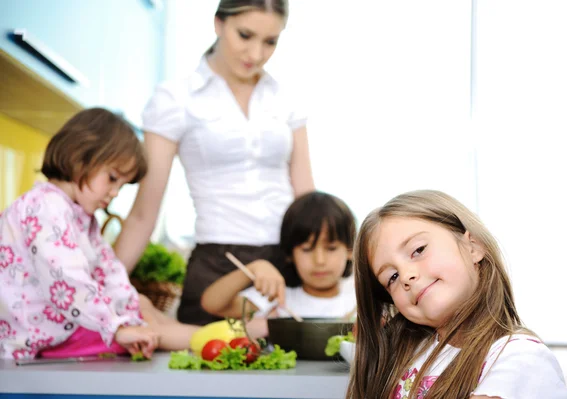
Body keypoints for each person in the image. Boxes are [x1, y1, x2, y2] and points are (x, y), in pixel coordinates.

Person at [113, 0, 315, 326]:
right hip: (217, 265)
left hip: (285, 267)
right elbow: (142, 214)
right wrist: (101, 289)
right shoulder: (175, 100)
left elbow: (307, 201)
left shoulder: (285, 99)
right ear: (219, 23)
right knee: (206, 368)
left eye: (270, 41)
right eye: (245, 35)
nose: (256, 53)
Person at [0, 108, 199, 360]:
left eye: (121, 185)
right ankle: (229, 339)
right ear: (78, 157)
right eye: (112, 178)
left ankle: (226, 337)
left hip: (60, 328)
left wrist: (127, 309)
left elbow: (109, 270)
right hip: (37, 337)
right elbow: (66, 280)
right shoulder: (44, 207)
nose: (115, 192)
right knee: (147, 323)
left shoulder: (80, 216)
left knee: (142, 307)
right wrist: (117, 326)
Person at [346, 190, 567, 399]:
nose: (405, 276)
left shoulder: (521, 358)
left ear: (473, 246)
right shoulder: (404, 355)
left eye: (418, 250)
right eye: (392, 277)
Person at [201, 192, 356, 337]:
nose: (320, 261)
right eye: (307, 249)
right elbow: (213, 305)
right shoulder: (277, 297)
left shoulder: (360, 298)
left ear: (351, 250)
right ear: (290, 254)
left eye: (331, 248)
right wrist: (253, 268)